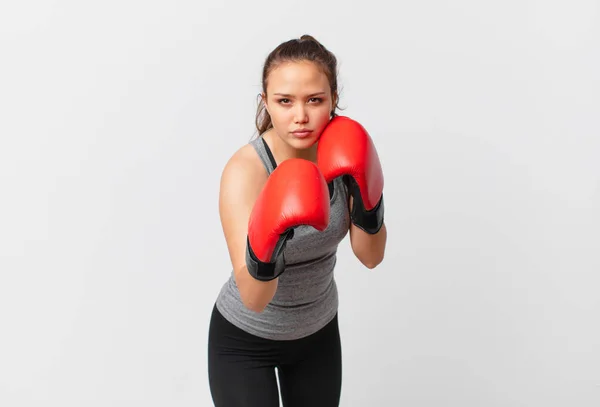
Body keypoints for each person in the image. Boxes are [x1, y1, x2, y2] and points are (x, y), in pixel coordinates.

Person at [207, 34, 387, 407]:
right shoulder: (247, 170)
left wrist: (367, 203)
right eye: (284, 101)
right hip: (246, 340)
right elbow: (255, 298)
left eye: (315, 100)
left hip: (317, 335)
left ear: (334, 99)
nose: (300, 116)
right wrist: (275, 234)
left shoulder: (345, 154)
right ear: (266, 103)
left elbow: (370, 256)